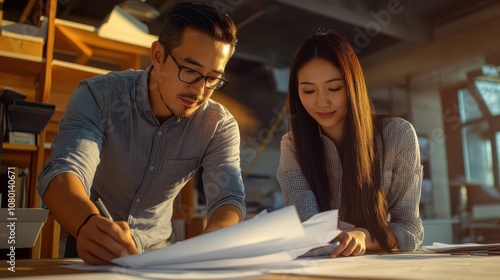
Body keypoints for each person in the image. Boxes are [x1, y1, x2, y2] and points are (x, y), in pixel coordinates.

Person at [37, 2, 246, 265]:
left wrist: (212, 244)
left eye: (213, 78)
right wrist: (89, 224)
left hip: (156, 252)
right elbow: (63, 170)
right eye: (190, 71)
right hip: (89, 241)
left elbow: (228, 199)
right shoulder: (99, 96)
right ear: (158, 56)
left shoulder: (218, 125)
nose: (199, 90)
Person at [276, 30, 424, 257]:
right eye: (308, 90)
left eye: (334, 88)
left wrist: (364, 236)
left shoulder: (397, 135)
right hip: (322, 266)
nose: (321, 102)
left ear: (353, 87)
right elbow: (308, 224)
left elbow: (410, 229)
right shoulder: (292, 145)